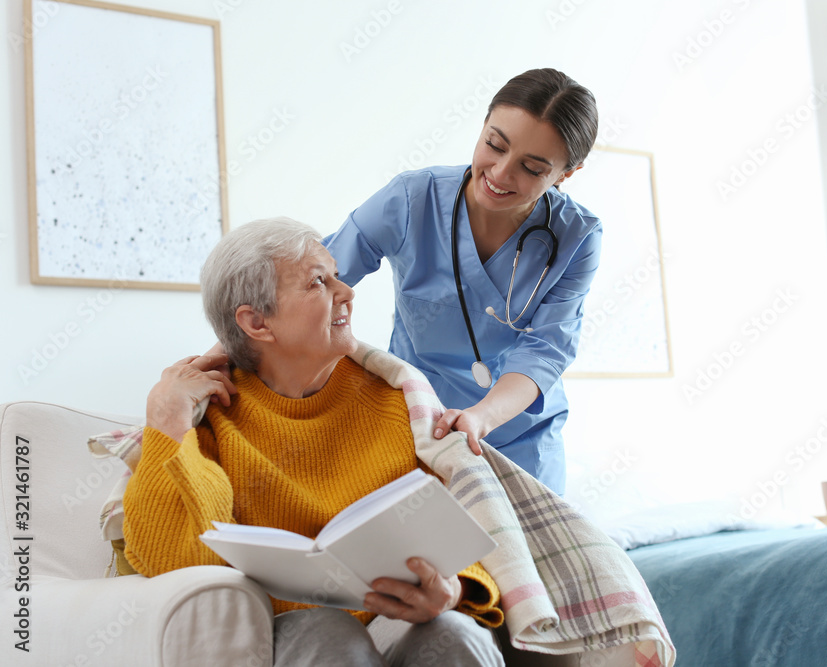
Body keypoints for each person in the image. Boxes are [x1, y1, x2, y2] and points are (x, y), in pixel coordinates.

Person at [122, 217, 504, 667]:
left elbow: (462, 528)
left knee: (455, 632)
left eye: (336, 276)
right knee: (329, 630)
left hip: (399, 617)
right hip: (294, 631)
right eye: (319, 282)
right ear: (256, 321)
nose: (347, 293)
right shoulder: (213, 415)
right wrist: (166, 418)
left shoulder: (396, 399)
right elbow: (167, 558)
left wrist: (453, 587)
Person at [324, 68, 602, 494]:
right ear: (484, 125)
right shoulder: (412, 200)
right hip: (419, 421)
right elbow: (315, 282)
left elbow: (546, 349)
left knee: (528, 557)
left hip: (520, 433)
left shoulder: (576, 237)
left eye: (532, 167)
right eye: (495, 144)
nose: (501, 173)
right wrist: (232, 351)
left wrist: (483, 416)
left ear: (567, 173)